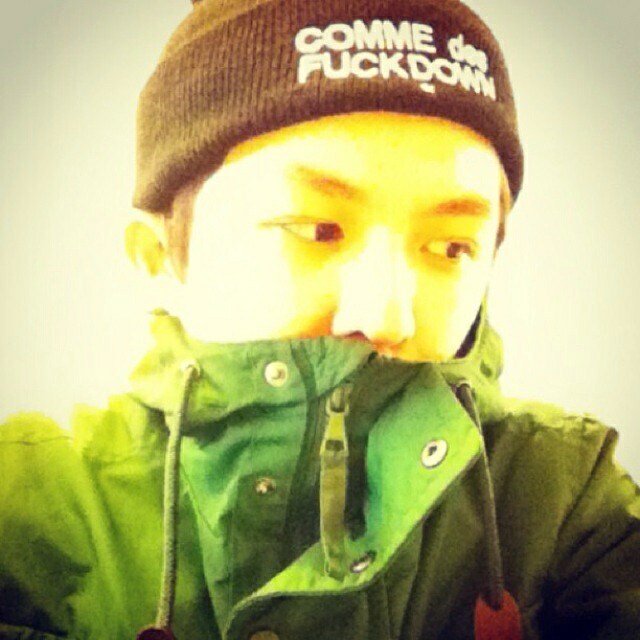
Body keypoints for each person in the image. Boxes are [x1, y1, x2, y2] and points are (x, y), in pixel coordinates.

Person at [1, 1, 638, 639]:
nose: (387, 314)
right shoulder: (28, 506)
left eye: (451, 248)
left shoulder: (564, 505)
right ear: (158, 254)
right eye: (316, 230)